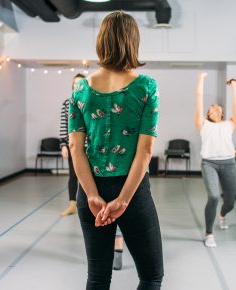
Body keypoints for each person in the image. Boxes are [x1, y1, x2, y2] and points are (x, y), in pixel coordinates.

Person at [68, 11, 163, 289]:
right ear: (133, 42)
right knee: (150, 276)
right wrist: (122, 200)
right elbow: (145, 152)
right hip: (132, 190)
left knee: (98, 276)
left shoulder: (80, 90)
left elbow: (76, 147)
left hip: (90, 190)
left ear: (101, 41)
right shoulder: (146, 87)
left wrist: (93, 195)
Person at [195, 72, 236, 248]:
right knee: (214, 196)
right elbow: (198, 97)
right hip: (209, 163)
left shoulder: (230, 124)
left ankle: (222, 214)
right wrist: (201, 79)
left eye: (218, 107)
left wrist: (234, 83)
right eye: (211, 107)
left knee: (229, 202)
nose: (215, 108)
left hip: (229, 163)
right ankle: (209, 233)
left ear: (222, 113)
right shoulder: (202, 123)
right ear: (207, 112)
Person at [59, 73, 85, 216]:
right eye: (75, 83)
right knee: (73, 175)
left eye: (80, 83)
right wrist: (63, 145)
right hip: (73, 145)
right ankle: (72, 206)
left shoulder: (91, 101)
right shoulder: (67, 103)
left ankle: (88, 205)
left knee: (90, 176)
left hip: (89, 146)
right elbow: (64, 125)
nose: (77, 86)